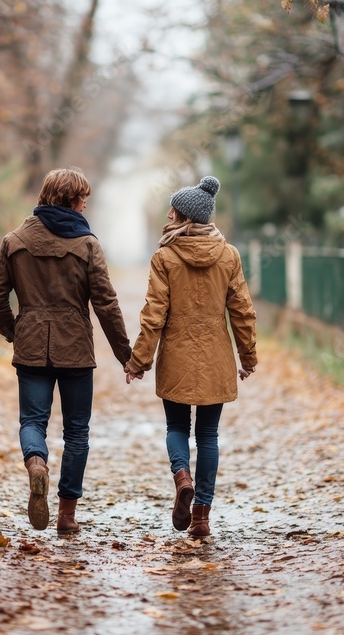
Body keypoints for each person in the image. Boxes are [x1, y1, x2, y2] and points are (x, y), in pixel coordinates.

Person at [0, 168, 132, 533]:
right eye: (82, 198)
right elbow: (106, 303)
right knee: (77, 432)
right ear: (69, 199)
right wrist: (125, 354)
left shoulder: (14, 240)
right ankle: (67, 516)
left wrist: (13, 330)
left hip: (31, 343)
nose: (85, 204)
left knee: (32, 422)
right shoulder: (87, 245)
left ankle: (37, 463)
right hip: (76, 348)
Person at [124, 176, 257, 538]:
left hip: (177, 357)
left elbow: (154, 314)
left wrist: (139, 361)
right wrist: (248, 357)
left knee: (176, 428)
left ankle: (182, 478)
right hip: (216, 357)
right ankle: (201, 518)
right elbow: (242, 311)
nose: (168, 214)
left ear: (185, 217)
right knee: (209, 435)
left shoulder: (165, 257)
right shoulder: (229, 256)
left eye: (174, 209)